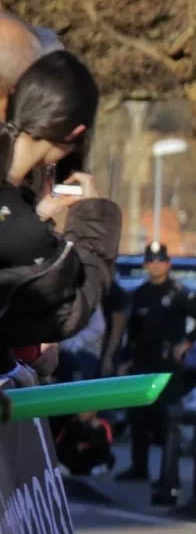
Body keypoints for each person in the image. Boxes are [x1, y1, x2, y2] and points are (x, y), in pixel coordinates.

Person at [0, 49, 121, 361]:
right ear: (75, 133)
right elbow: (67, 311)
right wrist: (94, 219)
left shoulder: (19, 218)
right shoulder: (25, 234)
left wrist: (34, 213)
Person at [115, 242, 196, 483]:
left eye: (160, 261)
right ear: (146, 264)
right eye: (151, 261)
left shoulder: (179, 292)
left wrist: (186, 343)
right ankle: (139, 467)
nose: (155, 266)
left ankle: (169, 473)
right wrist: (125, 360)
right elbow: (131, 333)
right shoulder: (139, 294)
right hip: (142, 363)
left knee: (168, 421)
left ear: (168, 264)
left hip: (168, 366)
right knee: (138, 419)